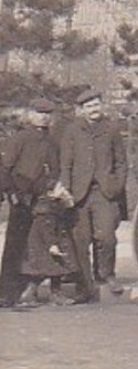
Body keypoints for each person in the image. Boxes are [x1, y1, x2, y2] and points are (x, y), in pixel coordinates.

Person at [59, 89, 128, 300]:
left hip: (104, 193)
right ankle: (84, 286)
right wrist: (67, 192)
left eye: (96, 105)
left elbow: (121, 162)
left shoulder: (112, 129)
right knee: (81, 241)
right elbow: (66, 164)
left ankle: (106, 275)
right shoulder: (72, 131)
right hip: (79, 195)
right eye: (89, 106)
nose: (94, 109)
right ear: (82, 110)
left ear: (102, 106)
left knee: (106, 237)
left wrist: (116, 186)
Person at [1, 98, 57, 307]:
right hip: (21, 198)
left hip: (42, 199)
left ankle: (27, 290)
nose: (43, 117)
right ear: (30, 115)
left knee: (35, 245)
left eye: (47, 113)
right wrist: (12, 194)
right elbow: (5, 168)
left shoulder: (51, 141)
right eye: (39, 112)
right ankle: (7, 293)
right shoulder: (19, 139)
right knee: (16, 244)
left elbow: (54, 168)